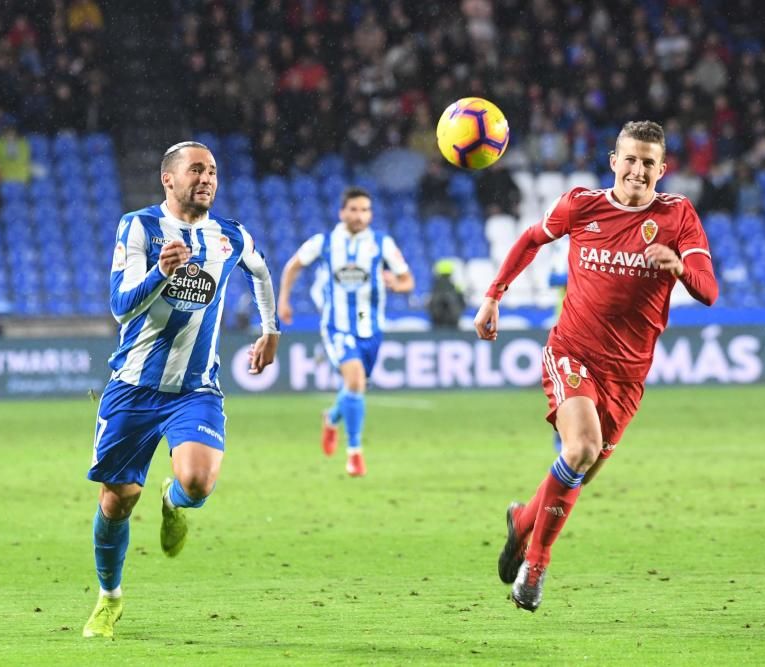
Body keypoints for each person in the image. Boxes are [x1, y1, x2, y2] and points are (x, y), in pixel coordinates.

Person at [473, 121, 718, 612]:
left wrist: (679, 267)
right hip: (572, 352)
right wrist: (493, 296)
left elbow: (709, 291)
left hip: (628, 376)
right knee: (580, 447)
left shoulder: (678, 216)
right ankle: (536, 567)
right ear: (614, 161)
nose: (638, 170)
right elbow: (529, 240)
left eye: (649, 162)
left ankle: (523, 521)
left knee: (579, 471)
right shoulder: (583, 204)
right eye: (630, 159)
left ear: (662, 170)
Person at [82, 141, 280, 638]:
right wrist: (160, 271)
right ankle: (109, 598)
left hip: (196, 388)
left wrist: (270, 328)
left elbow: (261, 271)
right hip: (133, 387)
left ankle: (173, 502)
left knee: (196, 483)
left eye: (212, 171)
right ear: (168, 179)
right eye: (196, 170)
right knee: (117, 501)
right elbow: (121, 307)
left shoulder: (229, 235)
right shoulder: (139, 227)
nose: (207, 178)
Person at [277, 187, 414, 477]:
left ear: (370, 214)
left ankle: (332, 417)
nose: (359, 215)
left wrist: (394, 283)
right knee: (354, 380)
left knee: (356, 386)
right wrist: (284, 300)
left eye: (365, 210)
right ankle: (355, 454)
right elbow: (293, 266)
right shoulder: (324, 242)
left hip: (371, 325)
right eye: (353, 209)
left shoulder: (381, 243)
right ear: (342, 212)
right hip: (337, 324)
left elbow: (408, 281)